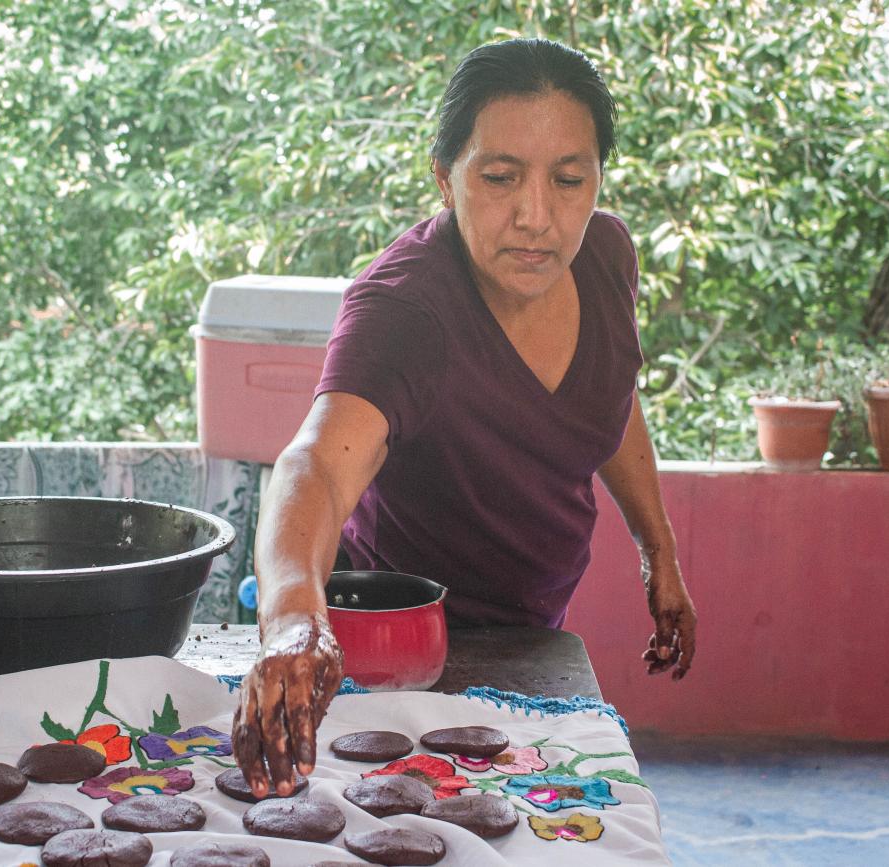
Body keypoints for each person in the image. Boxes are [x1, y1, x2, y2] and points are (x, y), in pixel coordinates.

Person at [231, 37, 698, 798]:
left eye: (570, 179)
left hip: (533, 634)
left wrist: (660, 550)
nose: (537, 216)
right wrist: (292, 622)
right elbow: (314, 462)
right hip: (386, 651)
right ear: (445, 180)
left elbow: (612, 395)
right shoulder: (406, 308)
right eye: (501, 177)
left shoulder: (607, 254)